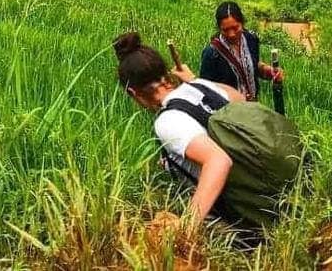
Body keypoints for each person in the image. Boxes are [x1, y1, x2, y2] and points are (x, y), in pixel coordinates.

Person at [113, 31, 303, 229]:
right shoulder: (201, 85)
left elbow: (219, 161)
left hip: (255, 205)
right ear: (166, 73)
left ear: (132, 92)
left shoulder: (166, 121)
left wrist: (187, 227)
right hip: (278, 177)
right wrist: (193, 80)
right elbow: (241, 103)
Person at [199, 1, 283, 101]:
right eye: (225, 30)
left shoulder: (251, 39)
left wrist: (268, 71)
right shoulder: (211, 53)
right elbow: (206, 89)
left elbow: (253, 65)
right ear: (219, 28)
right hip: (227, 111)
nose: (231, 34)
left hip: (252, 107)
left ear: (242, 23)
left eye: (235, 28)